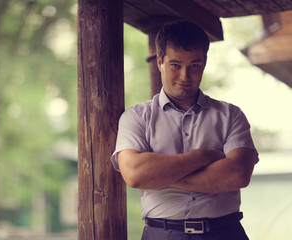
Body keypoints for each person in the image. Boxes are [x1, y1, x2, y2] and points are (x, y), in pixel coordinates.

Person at [110, 20, 259, 240]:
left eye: (194, 66)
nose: (184, 76)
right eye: (175, 65)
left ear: (205, 63)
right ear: (160, 61)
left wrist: (159, 177)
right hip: (161, 234)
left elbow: (237, 175)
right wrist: (204, 156)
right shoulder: (135, 118)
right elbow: (135, 174)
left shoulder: (231, 115)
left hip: (225, 233)